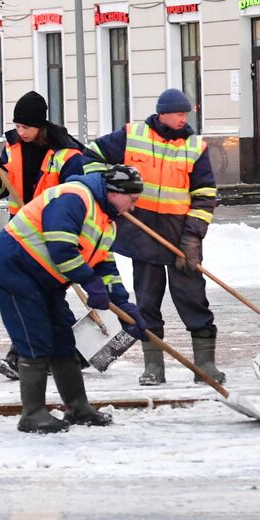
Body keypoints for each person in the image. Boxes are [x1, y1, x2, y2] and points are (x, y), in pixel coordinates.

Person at [0, 165, 148, 433]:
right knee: (35, 338)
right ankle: (32, 414)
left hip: (46, 280)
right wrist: (90, 282)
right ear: (115, 192)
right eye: (133, 199)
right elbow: (61, 246)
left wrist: (123, 304)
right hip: (15, 270)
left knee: (63, 340)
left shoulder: (107, 219)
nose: (134, 207)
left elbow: (104, 263)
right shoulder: (74, 197)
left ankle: (77, 408)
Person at [90, 89, 220, 386]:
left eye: (186, 114)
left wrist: (192, 239)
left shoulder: (195, 147)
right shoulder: (132, 135)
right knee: (147, 302)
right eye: (178, 114)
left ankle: (206, 365)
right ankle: (153, 367)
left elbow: (204, 196)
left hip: (179, 239)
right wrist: (110, 191)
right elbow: (93, 156)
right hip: (142, 236)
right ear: (161, 113)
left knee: (193, 299)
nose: (183, 119)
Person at [0, 91, 95, 381]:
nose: (20, 133)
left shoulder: (67, 155)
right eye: (17, 127)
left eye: (26, 128)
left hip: (53, 233)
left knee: (40, 294)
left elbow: (78, 197)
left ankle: (24, 356)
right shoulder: (12, 147)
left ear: (40, 125)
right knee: (41, 295)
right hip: (20, 232)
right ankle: (72, 351)